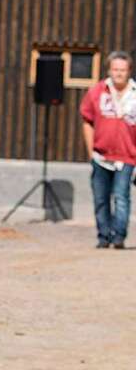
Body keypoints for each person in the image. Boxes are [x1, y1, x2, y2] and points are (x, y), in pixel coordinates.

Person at [80, 51, 136, 249]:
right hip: (101, 155)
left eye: (122, 70)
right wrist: (90, 151)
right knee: (101, 197)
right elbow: (87, 121)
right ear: (109, 70)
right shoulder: (97, 91)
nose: (118, 73)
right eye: (115, 69)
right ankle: (103, 235)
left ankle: (119, 235)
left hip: (128, 156)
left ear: (129, 71)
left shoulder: (135, 94)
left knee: (121, 196)